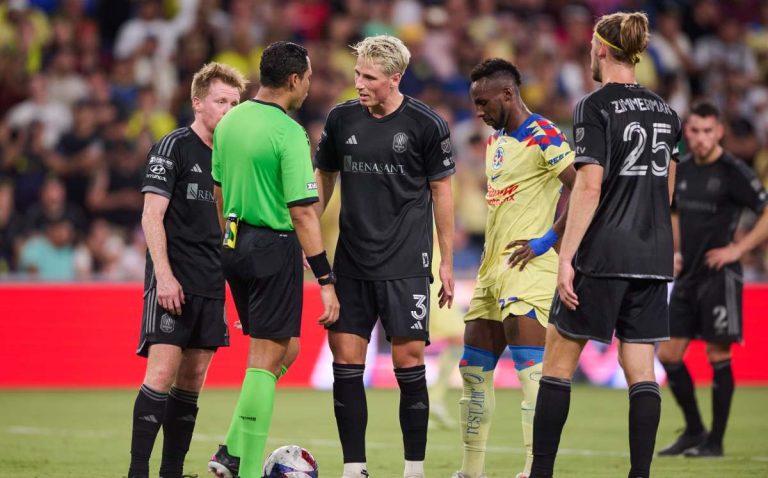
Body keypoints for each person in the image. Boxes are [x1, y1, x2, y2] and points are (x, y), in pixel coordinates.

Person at [529, 12, 682, 478]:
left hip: (603, 253)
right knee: (642, 370)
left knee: (558, 363)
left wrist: (566, 258)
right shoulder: (667, 112)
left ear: (600, 48)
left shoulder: (593, 107)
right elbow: (667, 192)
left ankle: (541, 473)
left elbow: (588, 186)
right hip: (652, 255)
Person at [314, 35, 455, 478]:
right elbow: (325, 176)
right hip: (351, 263)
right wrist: (308, 231)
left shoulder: (425, 124)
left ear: (395, 78)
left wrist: (447, 260)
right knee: (345, 364)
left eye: (369, 77)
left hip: (406, 263)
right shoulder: (341, 119)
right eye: (357, 74)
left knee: (408, 363)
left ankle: (414, 469)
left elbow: (442, 191)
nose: (359, 83)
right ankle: (354, 468)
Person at [207, 41, 340, 478]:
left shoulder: (230, 121)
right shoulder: (288, 132)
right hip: (271, 246)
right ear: (294, 80)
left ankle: (230, 450)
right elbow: (303, 211)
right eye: (309, 77)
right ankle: (245, 469)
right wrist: (325, 279)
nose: (310, 85)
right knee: (265, 360)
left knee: (287, 350)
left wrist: (232, 242)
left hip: (233, 243)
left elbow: (218, 192)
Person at [454, 58, 576, 478]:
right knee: (473, 372)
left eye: (483, 102)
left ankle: (533, 470)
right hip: (492, 270)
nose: (478, 111)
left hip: (530, 267)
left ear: (508, 94)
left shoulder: (543, 133)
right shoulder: (496, 142)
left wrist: (548, 239)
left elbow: (584, 187)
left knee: (531, 373)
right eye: (475, 103)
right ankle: (471, 471)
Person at [128, 62, 247, 478]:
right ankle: (138, 471)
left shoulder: (234, 158)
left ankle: (172, 472)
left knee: (192, 380)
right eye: (221, 101)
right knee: (162, 373)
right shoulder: (173, 146)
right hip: (173, 281)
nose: (228, 110)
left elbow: (234, 226)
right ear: (198, 102)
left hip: (211, 283)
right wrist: (163, 276)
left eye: (235, 103)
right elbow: (151, 216)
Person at [657, 101, 768, 458]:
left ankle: (715, 441)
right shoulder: (683, 170)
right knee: (668, 354)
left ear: (719, 132)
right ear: (686, 133)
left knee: (717, 353)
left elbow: (765, 211)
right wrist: (674, 251)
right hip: (687, 275)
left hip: (720, 277)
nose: (701, 138)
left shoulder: (733, 171)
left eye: (708, 131)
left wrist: (739, 249)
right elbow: (674, 214)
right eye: (695, 130)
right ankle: (694, 430)